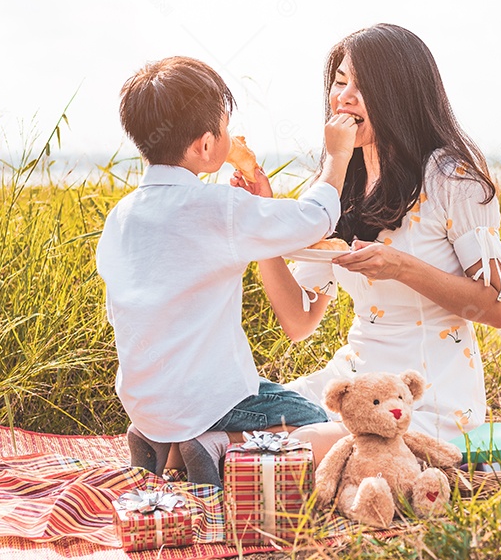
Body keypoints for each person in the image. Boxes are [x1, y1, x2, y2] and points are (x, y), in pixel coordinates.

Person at [251, 25, 501, 460]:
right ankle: (210, 449)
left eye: (363, 85)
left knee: (295, 446)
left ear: (399, 95)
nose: (344, 97)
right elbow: (298, 322)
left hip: (424, 397)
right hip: (353, 383)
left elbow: (498, 309)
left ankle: (221, 455)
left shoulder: (451, 177)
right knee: (245, 414)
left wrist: (401, 268)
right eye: (339, 82)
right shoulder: (338, 180)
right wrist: (263, 230)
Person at [96, 56, 357, 487]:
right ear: (204, 146)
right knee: (323, 424)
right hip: (210, 401)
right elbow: (316, 218)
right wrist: (337, 155)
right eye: (223, 125)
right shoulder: (219, 209)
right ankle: (221, 445)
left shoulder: (121, 215)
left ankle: (164, 442)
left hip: (143, 399)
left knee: (206, 399)